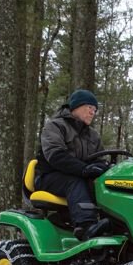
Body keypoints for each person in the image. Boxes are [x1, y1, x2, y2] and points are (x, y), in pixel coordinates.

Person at [35, 89, 111, 240]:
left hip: (79, 176)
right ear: (76, 107)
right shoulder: (55, 126)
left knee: (106, 184)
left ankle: (115, 224)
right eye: (89, 108)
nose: (92, 112)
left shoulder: (93, 135)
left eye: (95, 110)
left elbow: (100, 160)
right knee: (74, 181)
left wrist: (103, 168)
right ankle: (86, 226)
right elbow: (56, 156)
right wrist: (84, 169)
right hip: (49, 177)